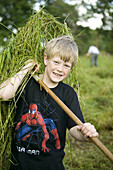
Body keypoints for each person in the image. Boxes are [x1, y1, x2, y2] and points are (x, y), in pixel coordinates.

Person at [0, 36, 98, 170]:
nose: (60, 69)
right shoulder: (26, 84)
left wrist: (85, 133)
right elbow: (3, 94)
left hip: (51, 165)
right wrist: (27, 67)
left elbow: (75, 129)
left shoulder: (68, 93)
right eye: (56, 62)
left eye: (66, 65)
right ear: (46, 59)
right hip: (20, 165)